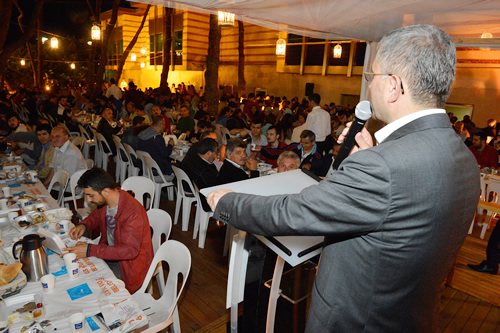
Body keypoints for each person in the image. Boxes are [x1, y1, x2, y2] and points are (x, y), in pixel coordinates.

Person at [206, 25, 479, 332]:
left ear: (393, 86)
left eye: (372, 75)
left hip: (355, 321)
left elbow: (295, 212)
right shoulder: (465, 159)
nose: (370, 85)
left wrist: (226, 201)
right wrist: (368, 159)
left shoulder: (384, 167)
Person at [65, 167, 153, 293]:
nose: (88, 200)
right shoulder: (109, 200)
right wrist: (84, 225)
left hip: (128, 266)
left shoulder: (133, 212)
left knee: (91, 286)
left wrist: (91, 249)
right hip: (111, 253)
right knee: (78, 272)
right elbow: (96, 216)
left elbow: (130, 251)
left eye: (90, 195)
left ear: (105, 192)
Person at [137, 116, 175, 181]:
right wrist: (170, 145)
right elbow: (165, 154)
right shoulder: (157, 137)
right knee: (179, 167)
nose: (165, 127)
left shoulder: (142, 134)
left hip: (145, 168)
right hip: (157, 171)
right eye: (164, 125)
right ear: (161, 125)